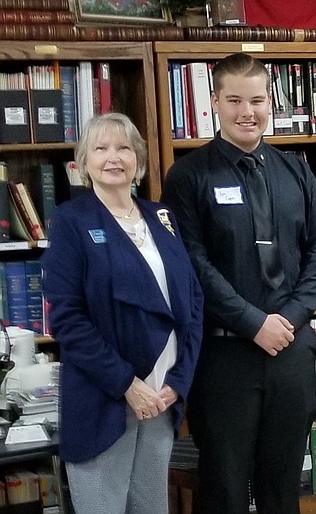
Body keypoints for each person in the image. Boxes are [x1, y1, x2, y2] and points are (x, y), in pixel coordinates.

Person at [160, 52, 316, 514]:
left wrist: (291, 320)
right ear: (214, 101)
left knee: (282, 486)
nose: (247, 112)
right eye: (234, 100)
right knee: (226, 487)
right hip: (223, 358)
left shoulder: (297, 170)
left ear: (270, 102)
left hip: (291, 352)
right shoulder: (187, 176)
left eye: (257, 100)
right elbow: (192, 263)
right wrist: (253, 322)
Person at [42, 113, 203, 514]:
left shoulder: (162, 218)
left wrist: (179, 381)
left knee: (151, 508)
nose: (114, 157)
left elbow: (192, 301)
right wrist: (128, 384)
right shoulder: (71, 221)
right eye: (101, 148)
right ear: (82, 162)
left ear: (139, 159)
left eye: (124, 147)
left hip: (162, 399)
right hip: (107, 399)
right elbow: (67, 319)